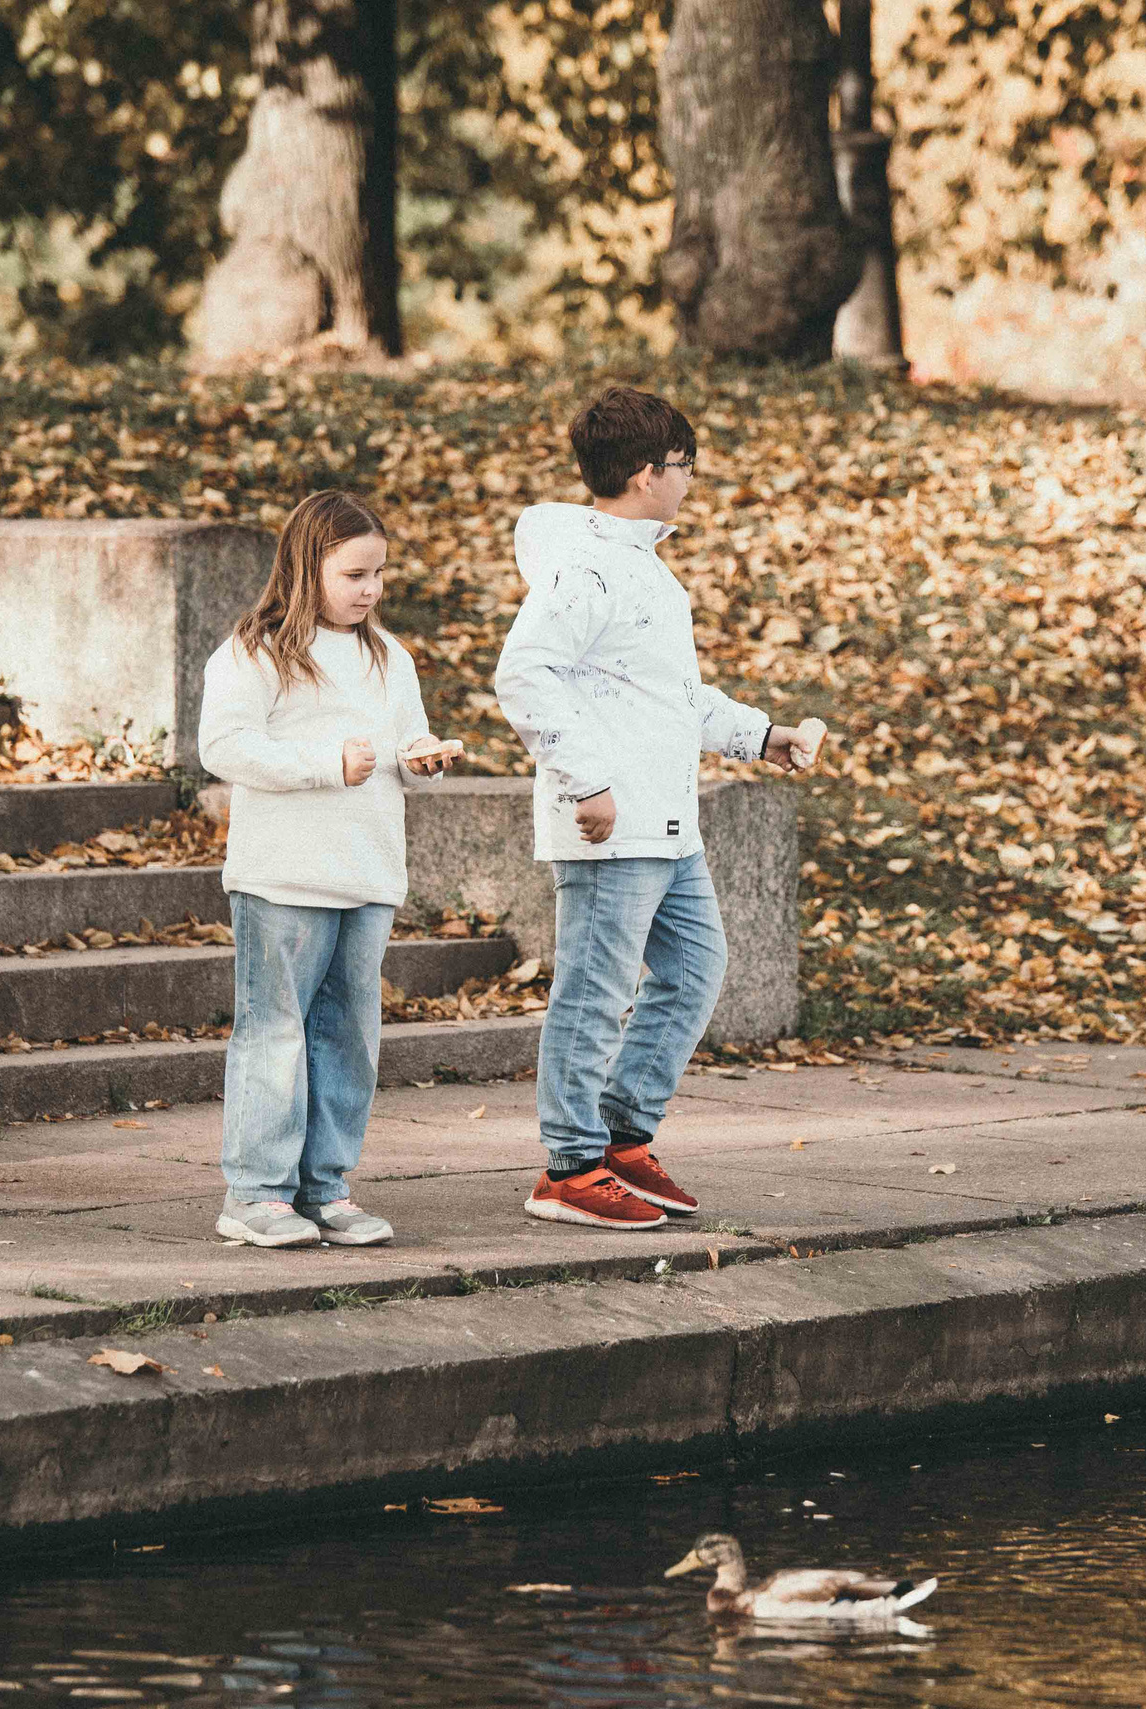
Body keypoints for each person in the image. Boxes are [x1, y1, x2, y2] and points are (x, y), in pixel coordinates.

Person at [495, 386, 822, 1229]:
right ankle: (568, 1167)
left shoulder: (642, 564)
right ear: (645, 474)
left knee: (695, 967)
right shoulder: (588, 568)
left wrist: (762, 734)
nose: (690, 481)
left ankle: (620, 1135)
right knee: (595, 990)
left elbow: (672, 695)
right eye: (684, 466)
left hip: (667, 822)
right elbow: (523, 673)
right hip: (613, 825)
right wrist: (586, 780)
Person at [197, 490, 460, 1248]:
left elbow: (402, 744)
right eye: (353, 573)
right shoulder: (256, 649)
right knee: (274, 1032)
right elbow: (226, 746)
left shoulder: (390, 655)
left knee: (349, 1035)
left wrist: (422, 759)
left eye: (379, 572)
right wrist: (323, 763)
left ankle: (326, 1185)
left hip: (368, 874)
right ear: (307, 565)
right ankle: (255, 1191)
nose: (370, 588)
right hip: (282, 877)